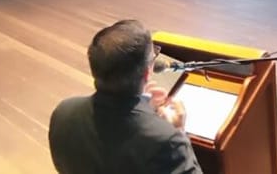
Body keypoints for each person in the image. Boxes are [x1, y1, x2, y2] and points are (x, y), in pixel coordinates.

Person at [49, 20, 201, 174]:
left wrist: (144, 109)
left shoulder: (63, 113)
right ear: (148, 72)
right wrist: (178, 130)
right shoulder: (167, 140)